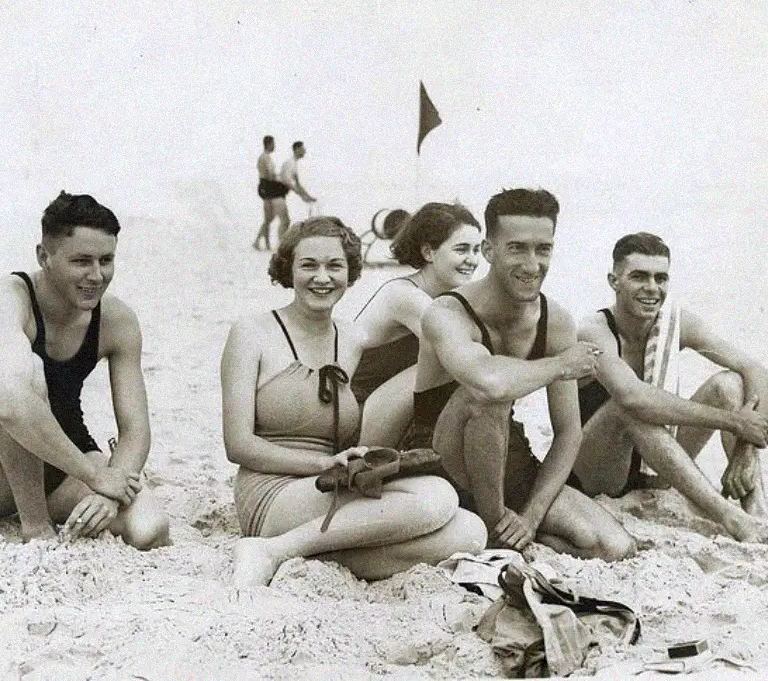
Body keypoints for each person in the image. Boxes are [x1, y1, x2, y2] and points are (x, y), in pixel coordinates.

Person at [221, 216, 486, 587]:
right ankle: (269, 551)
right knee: (436, 497)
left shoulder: (351, 338)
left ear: (350, 272)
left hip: (325, 485)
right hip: (273, 491)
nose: (322, 277)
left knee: (470, 532)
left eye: (335, 266)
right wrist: (322, 462)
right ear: (288, 269)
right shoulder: (252, 333)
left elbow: (429, 335)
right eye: (309, 265)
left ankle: (311, 552)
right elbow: (238, 445)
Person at [411, 188, 635, 561]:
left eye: (542, 249)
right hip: (440, 462)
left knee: (613, 546)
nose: (532, 265)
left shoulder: (555, 321)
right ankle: (496, 527)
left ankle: (509, 534)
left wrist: (531, 517)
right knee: (488, 395)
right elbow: (488, 383)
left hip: (502, 457)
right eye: (517, 248)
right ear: (488, 250)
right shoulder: (447, 312)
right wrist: (563, 365)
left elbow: (568, 433)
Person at [0, 192, 169, 549]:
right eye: (81, 261)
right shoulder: (6, 299)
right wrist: (94, 473)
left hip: (63, 458)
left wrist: (111, 490)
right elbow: (9, 406)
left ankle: (58, 506)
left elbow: (135, 428)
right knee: (24, 372)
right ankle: (36, 528)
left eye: (106, 260)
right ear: (43, 257)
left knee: (149, 527)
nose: (96, 275)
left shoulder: (117, 320)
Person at [571, 232, 768, 543]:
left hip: (655, 463)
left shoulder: (674, 322)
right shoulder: (595, 329)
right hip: (597, 471)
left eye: (661, 278)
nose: (652, 288)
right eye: (639, 276)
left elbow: (758, 372)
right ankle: (730, 518)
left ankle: (757, 509)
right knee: (626, 406)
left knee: (728, 385)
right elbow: (633, 397)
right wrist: (735, 422)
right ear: (613, 281)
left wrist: (745, 451)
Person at [352, 202, 482, 449]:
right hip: (358, 413)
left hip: (390, 407)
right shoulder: (404, 295)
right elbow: (463, 350)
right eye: (462, 249)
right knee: (451, 358)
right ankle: (370, 463)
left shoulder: (448, 298)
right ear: (428, 253)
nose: (472, 260)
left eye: (477, 250)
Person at [253, 135, 290, 251]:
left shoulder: (263, 157)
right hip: (268, 187)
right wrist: (281, 179)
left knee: (268, 217)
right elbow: (270, 174)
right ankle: (264, 243)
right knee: (269, 217)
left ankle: (261, 242)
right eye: (273, 144)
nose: (274, 146)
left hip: (264, 186)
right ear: (269, 144)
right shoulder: (266, 158)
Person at [279, 141, 316, 212]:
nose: (305, 151)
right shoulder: (290, 163)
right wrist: (301, 196)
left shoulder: (294, 164)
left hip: (281, 194)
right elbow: (286, 182)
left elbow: (298, 184)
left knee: (284, 221)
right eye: (303, 149)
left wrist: (308, 196)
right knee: (285, 221)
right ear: (297, 149)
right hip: (275, 193)